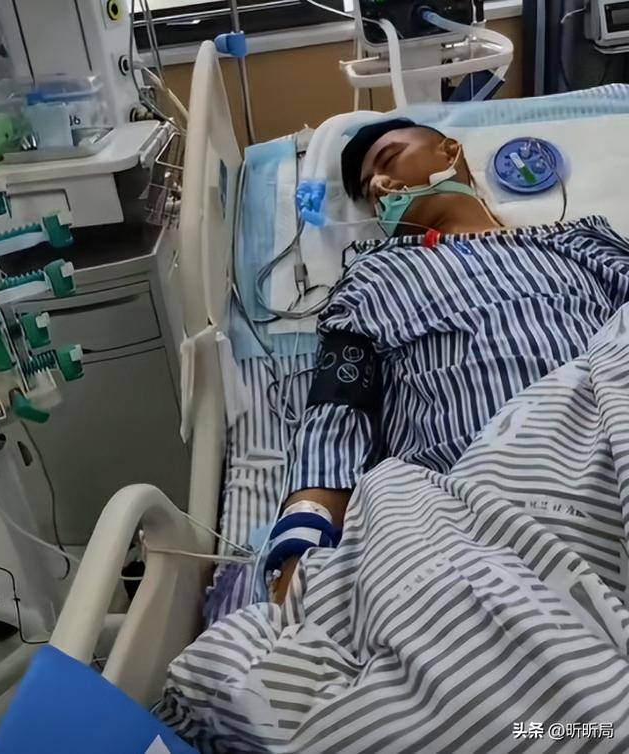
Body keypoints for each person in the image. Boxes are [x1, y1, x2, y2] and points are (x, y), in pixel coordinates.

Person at [267, 117, 629, 600]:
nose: (379, 185)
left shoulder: (579, 244)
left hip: (607, 451)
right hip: (469, 514)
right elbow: (334, 418)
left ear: (450, 152)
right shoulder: (374, 277)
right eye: (369, 189)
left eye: (389, 160)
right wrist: (297, 555)